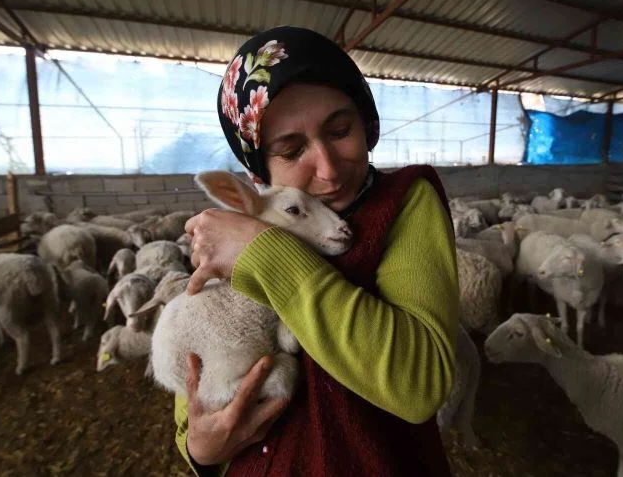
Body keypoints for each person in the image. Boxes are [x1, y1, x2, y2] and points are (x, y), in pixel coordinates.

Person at [174, 26, 460, 476]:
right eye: (291, 150)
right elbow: (195, 376)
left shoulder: (405, 203)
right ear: (259, 171)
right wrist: (199, 451)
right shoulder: (244, 226)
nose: (328, 169)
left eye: (341, 129)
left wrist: (262, 252)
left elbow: (420, 386)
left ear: (366, 122)